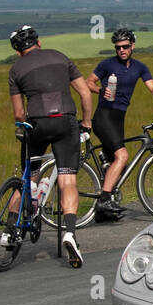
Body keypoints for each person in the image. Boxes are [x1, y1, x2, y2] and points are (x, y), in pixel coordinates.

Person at [7, 25, 93, 267]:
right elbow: (85, 94)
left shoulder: (16, 69)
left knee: (28, 178)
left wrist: (21, 125)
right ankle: (69, 233)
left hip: (37, 125)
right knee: (68, 181)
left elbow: (18, 112)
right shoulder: (61, 57)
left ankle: (10, 228)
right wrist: (86, 123)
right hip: (66, 122)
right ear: (39, 42)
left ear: (17, 51)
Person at [87, 28, 153, 220]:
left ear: (132, 46)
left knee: (121, 165)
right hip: (103, 117)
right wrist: (100, 90)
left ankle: (103, 212)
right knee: (123, 155)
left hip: (118, 118)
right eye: (118, 47)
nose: (121, 50)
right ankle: (104, 200)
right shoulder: (107, 64)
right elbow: (88, 82)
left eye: (125, 46)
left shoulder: (140, 67)